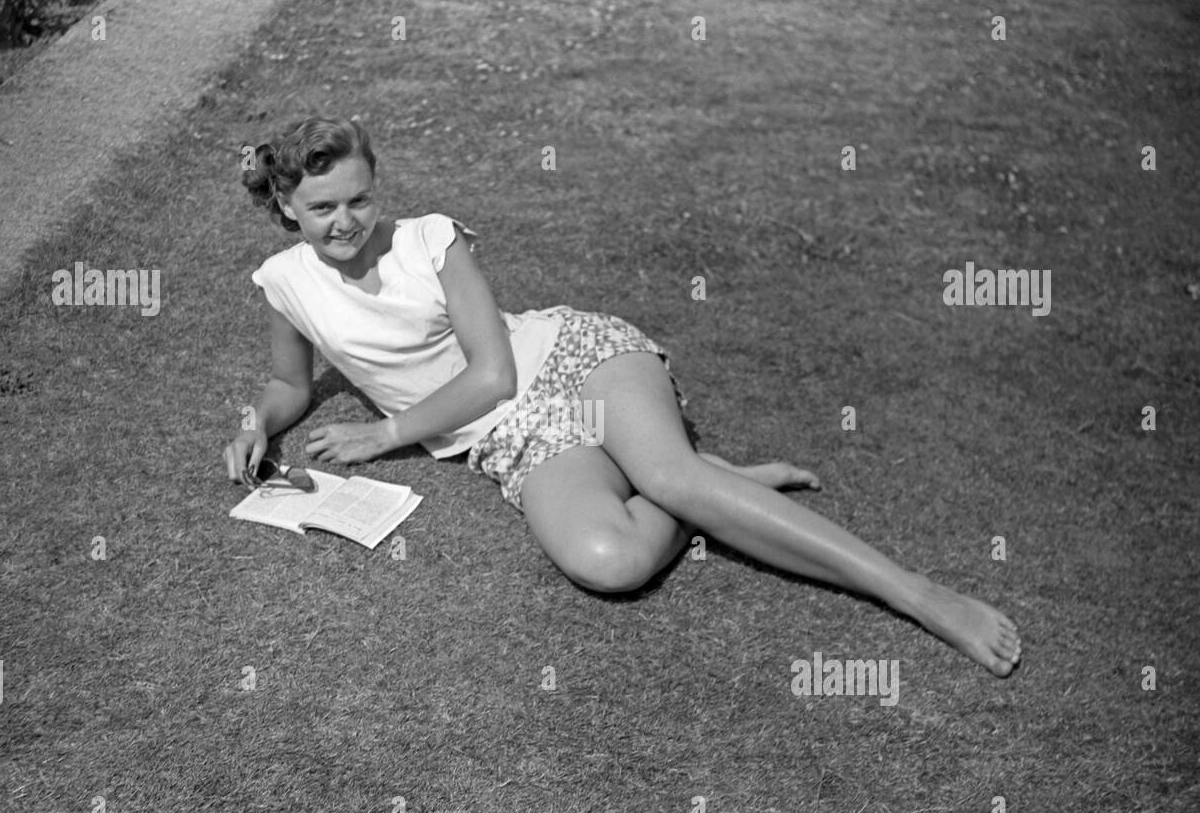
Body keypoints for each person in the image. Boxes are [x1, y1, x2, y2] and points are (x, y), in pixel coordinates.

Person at [223, 117, 1022, 677]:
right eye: (322, 208)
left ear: (376, 187)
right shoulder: (284, 282)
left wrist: (385, 432)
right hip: (512, 439)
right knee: (611, 561)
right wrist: (257, 421)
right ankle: (708, 480)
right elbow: (292, 382)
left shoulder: (430, 238)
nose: (346, 221)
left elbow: (495, 374)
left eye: (359, 199)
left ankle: (915, 593)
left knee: (669, 481)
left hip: (572, 360)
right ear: (286, 207)